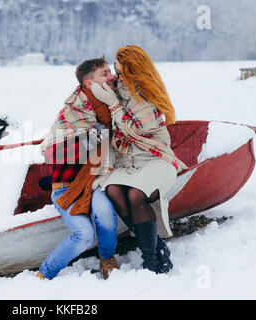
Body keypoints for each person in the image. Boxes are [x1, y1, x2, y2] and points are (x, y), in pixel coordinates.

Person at [90, 45, 188, 274]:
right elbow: (108, 131)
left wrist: (113, 103)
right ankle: (158, 245)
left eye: (121, 72)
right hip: (128, 161)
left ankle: (151, 262)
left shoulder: (147, 96)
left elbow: (135, 131)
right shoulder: (117, 91)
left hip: (155, 158)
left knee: (136, 195)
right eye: (115, 70)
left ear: (133, 73)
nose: (116, 76)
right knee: (113, 189)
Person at [37, 57, 119, 280]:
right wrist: (101, 132)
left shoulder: (110, 105)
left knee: (104, 212)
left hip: (97, 181)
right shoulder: (74, 111)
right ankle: (44, 275)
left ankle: (107, 259)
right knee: (84, 235)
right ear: (90, 84)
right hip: (67, 188)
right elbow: (57, 154)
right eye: (105, 74)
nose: (111, 76)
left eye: (110, 71)